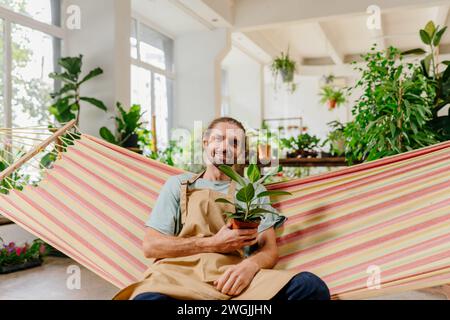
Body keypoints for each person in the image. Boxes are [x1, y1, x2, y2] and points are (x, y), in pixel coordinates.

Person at [113, 117, 330, 300]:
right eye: (218, 139)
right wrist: (213, 243)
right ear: (205, 143)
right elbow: (151, 246)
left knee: (311, 287)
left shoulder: (252, 190)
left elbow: (269, 249)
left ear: (241, 152)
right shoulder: (178, 185)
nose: (225, 147)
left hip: (233, 280)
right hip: (177, 277)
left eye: (235, 143)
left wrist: (250, 267)